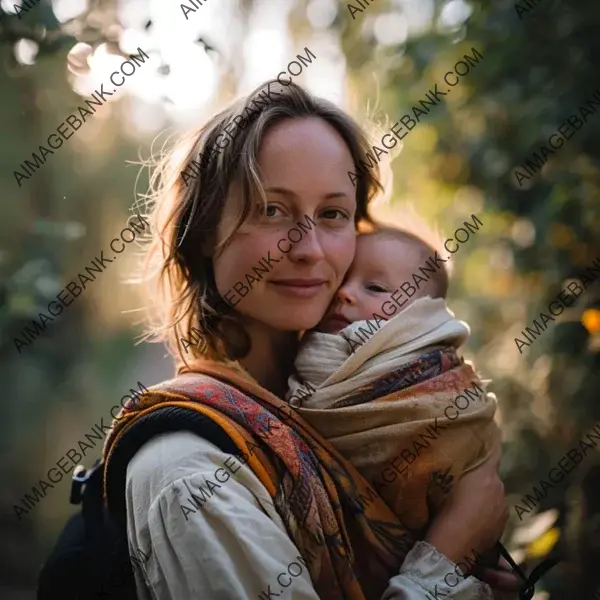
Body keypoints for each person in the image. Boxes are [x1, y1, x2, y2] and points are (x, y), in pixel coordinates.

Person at [103, 79, 520, 599]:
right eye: (271, 210)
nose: (309, 248)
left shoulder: (365, 418)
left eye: (332, 214)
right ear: (205, 230)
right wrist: (443, 562)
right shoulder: (190, 472)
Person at [285, 225, 500, 532]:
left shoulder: (435, 383)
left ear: (419, 320)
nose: (344, 293)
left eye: (374, 288)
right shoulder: (306, 355)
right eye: (342, 279)